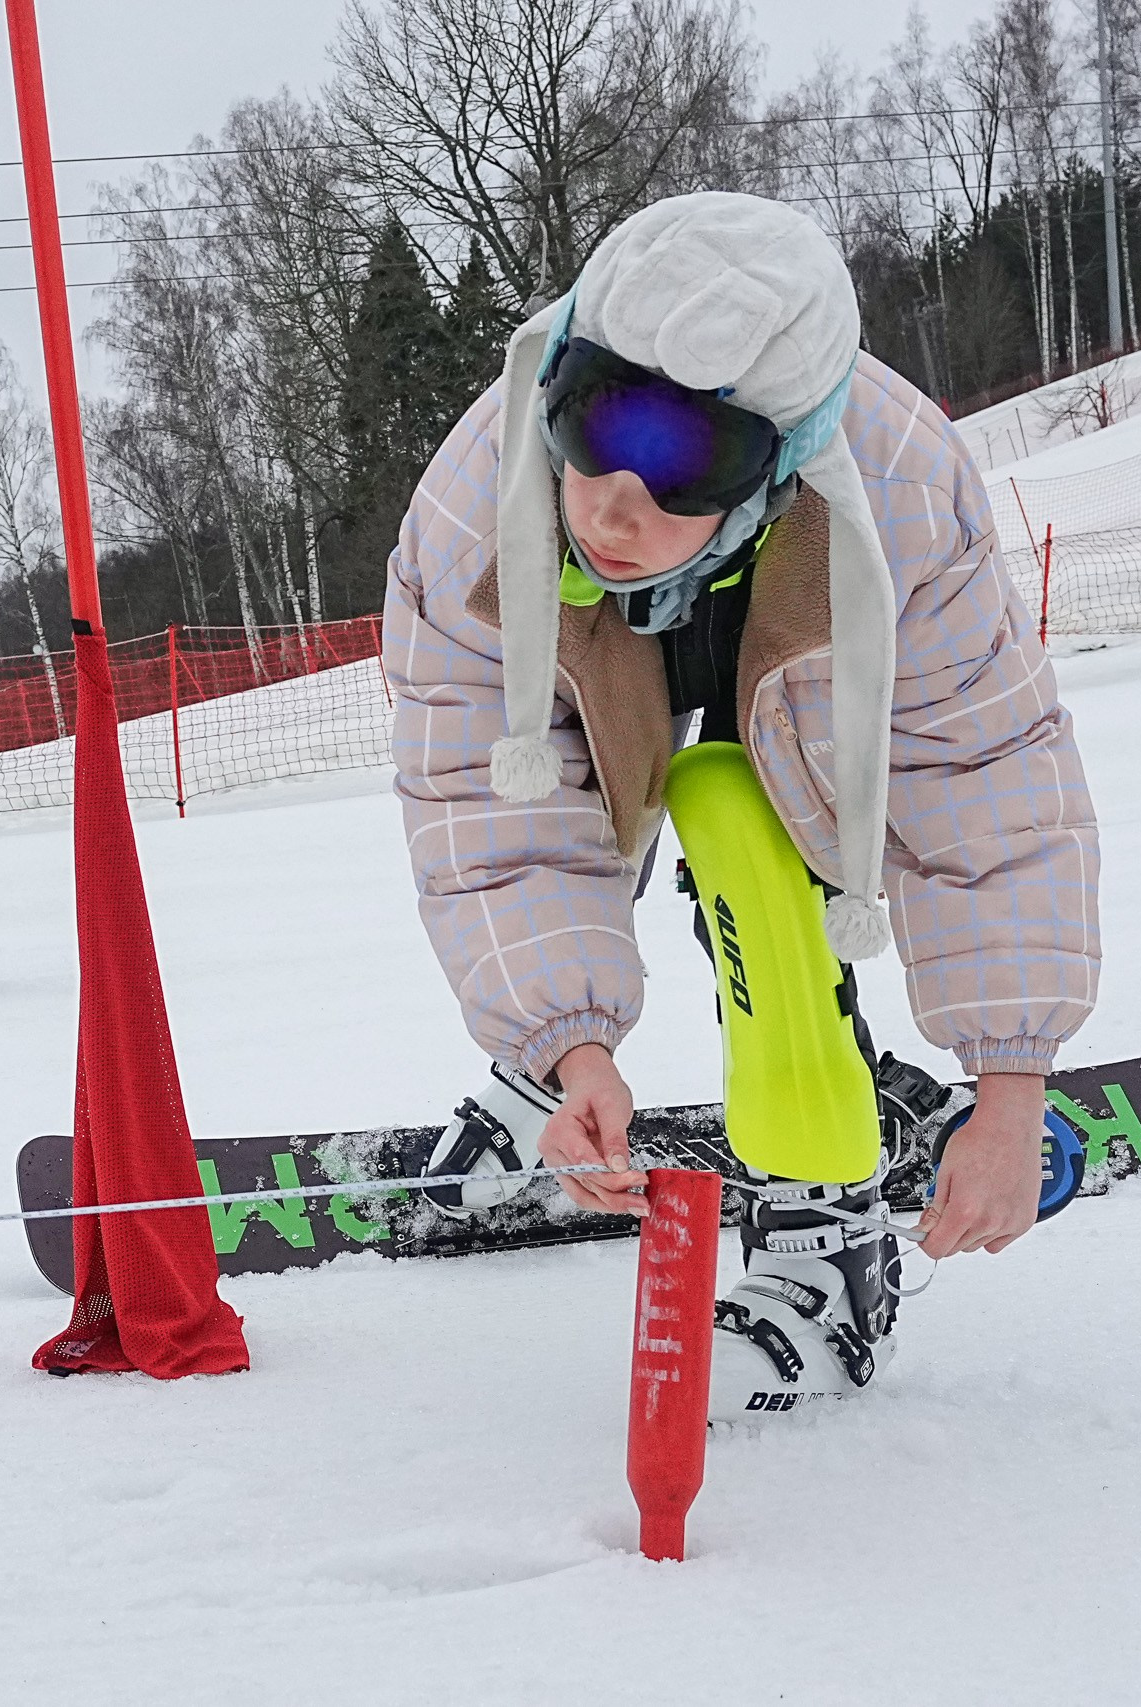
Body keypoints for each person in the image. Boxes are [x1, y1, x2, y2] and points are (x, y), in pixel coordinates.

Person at [386, 193, 1100, 1420]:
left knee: (757, 831)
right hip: (600, 650)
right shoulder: (475, 512)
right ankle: (545, 1051)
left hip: (820, 612)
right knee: (586, 810)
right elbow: (487, 797)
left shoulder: (904, 491)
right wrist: (571, 1043)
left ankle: (829, 1230)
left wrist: (1013, 1078)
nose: (613, 503)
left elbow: (982, 780)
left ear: (778, 458)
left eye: (684, 468)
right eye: (592, 425)